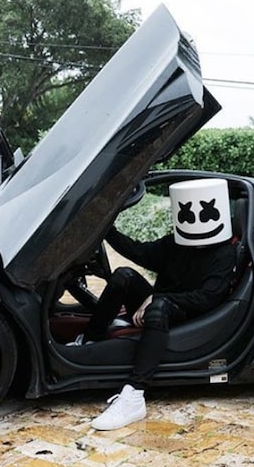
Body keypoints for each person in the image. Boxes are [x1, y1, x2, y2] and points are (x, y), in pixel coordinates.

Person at [71, 178, 237, 431]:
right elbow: (138, 252)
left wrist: (158, 299)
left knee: (159, 309)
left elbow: (207, 299)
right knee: (124, 275)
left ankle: (135, 394)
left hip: (188, 312)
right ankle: (91, 341)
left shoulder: (225, 253)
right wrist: (104, 228)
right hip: (160, 304)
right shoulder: (175, 243)